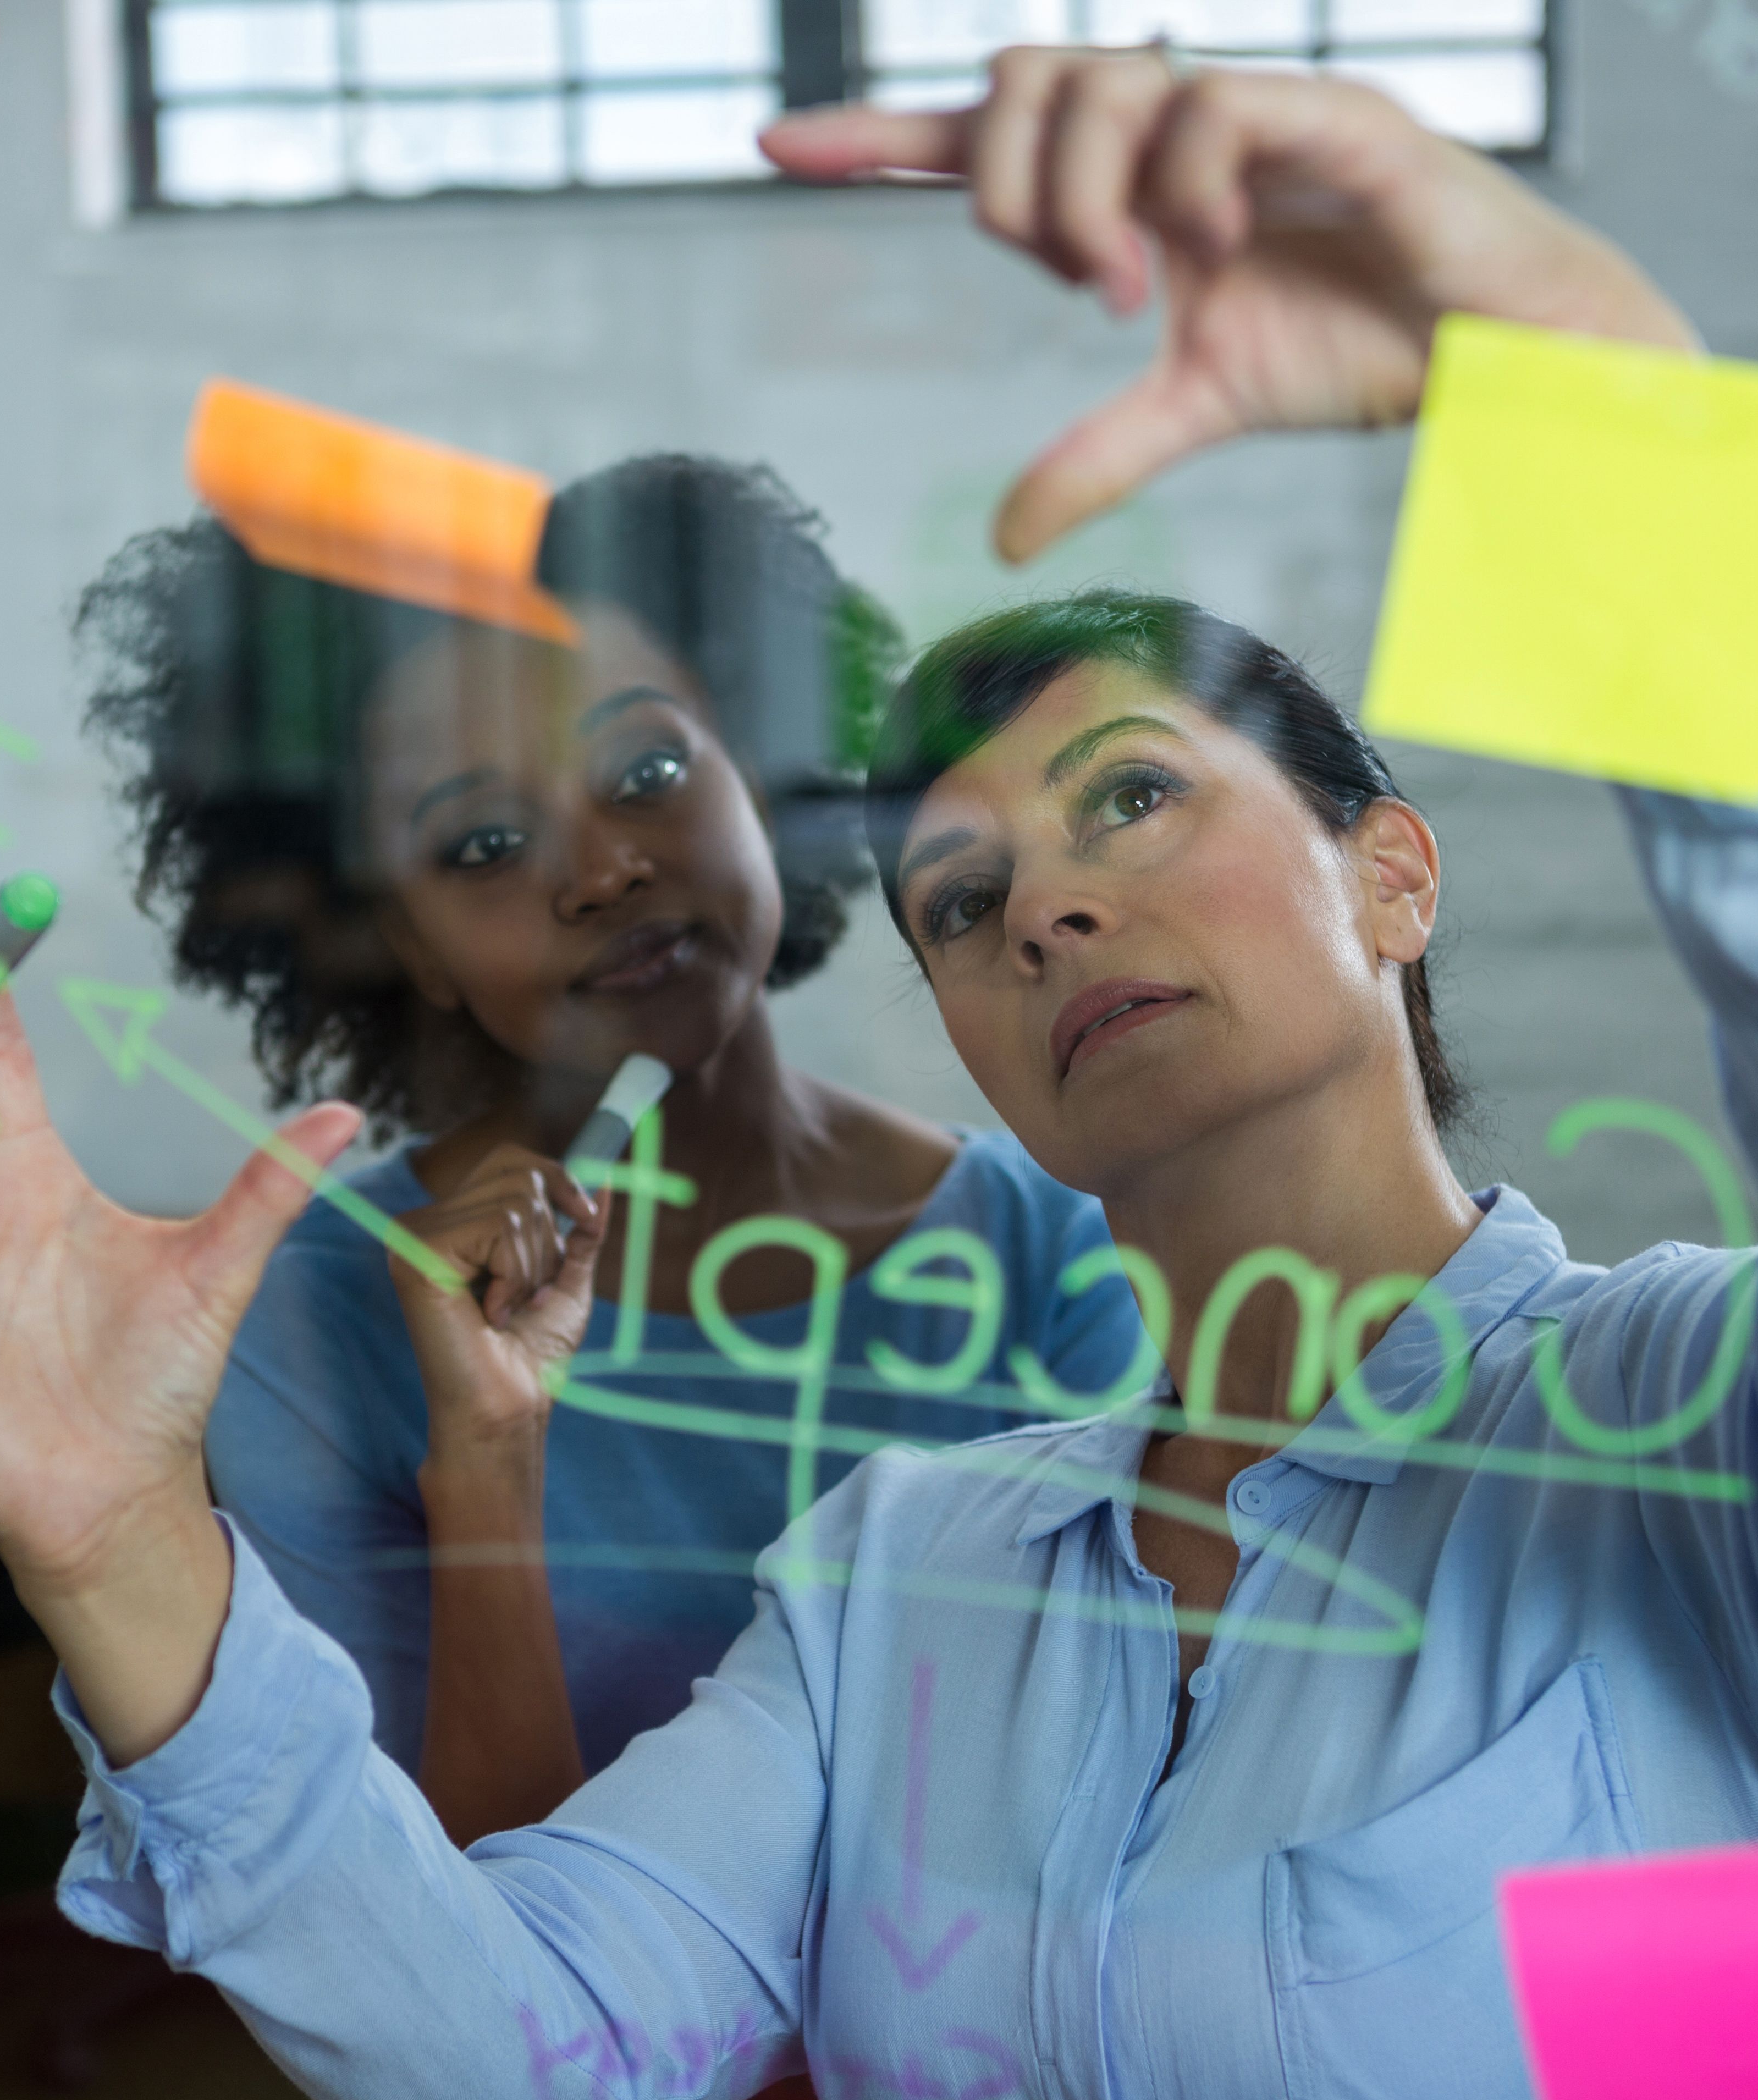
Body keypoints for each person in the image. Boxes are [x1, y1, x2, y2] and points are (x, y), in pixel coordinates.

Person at [0, 48, 1758, 2100]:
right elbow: (517, 2041)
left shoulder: (1712, 1458)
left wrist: (1626, 457)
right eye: (965, 904)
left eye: (1134, 798)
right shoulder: (897, 1580)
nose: (1049, 912)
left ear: (1394, 877)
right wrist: (105, 1541)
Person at [71, 454, 1142, 1846]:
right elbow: (455, 1945)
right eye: (483, 844)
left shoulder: (1060, 1240)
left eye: (646, 769)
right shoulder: (324, 1311)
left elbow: (1106, 1814)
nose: (599, 869)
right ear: (410, 950)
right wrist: (487, 1454)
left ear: (761, 775)